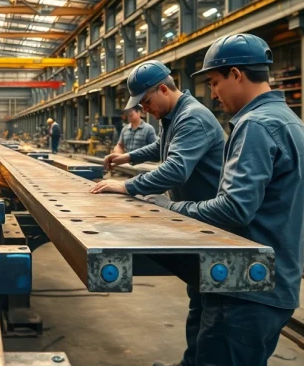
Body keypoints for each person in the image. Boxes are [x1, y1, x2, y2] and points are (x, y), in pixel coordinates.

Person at [146, 34, 304, 366]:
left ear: (237, 74)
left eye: (214, 82)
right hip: (277, 280)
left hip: (245, 286)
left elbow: (234, 208)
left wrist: (169, 208)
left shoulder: (256, 125)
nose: (213, 93)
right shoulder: (291, 122)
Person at [89, 60, 225, 366]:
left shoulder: (192, 118)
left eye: (146, 102)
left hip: (211, 222)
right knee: (199, 303)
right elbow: (160, 148)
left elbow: (175, 169)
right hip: (192, 222)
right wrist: (127, 156)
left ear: (163, 88)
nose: (145, 109)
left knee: (213, 307)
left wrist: (125, 187)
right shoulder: (173, 116)